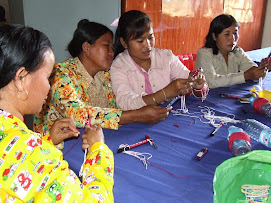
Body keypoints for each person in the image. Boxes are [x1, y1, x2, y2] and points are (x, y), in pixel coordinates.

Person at [0, 24, 114, 202]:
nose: (49, 86)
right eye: (47, 77)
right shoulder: (31, 153)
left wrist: (47, 140)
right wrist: (98, 149)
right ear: (21, 78)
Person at [34, 19, 170, 138]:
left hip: (94, 141)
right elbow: (77, 114)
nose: (112, 53)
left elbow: (121, 103)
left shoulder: (104, 75)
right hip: (56, 149)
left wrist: (151, 102)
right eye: (106, 46)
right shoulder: (60, 75)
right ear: (86, 47)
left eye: (112, 47)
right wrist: (137, 115)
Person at [110, 10, 207, 111]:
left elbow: (190, 80)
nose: (148, 45)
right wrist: (164, 93)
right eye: (140, 41)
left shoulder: (166, 57)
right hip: (137, 123)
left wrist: (197, 85)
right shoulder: (118, 66)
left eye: (150, 38)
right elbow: (125, 103)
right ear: (124, 42)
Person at [195, 14, 270, 89]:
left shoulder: (237, 52)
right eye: (227, 34)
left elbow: (252, 73)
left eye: (235, 33)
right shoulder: (204, 54)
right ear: (214, 36)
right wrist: (245, 76)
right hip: (209, 98)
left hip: (230, 96)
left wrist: (261, 70)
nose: (233, 38)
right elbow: (210, 82)